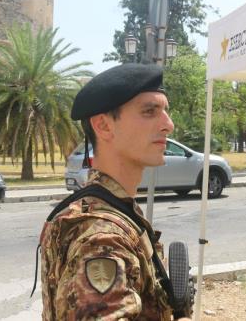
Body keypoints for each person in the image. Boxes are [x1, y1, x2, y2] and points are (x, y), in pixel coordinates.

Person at [38, 63, 191, 321]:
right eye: (149, 111)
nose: (169, 124)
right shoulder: (101, 240)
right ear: (104, 126)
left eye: (165, 111)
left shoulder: (107, 205)